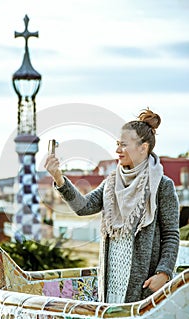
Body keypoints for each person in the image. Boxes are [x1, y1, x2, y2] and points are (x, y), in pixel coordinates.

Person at [44, 109, 180, 303]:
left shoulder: (162, 186)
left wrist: (163, 274)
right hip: (111, 283)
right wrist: (58, 177)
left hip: (144, 287)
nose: (117, 150)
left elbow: (171, 235)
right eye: (117, 144)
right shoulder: (111, 183)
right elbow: (83, 207)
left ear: (143, 148)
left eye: (124, 145)